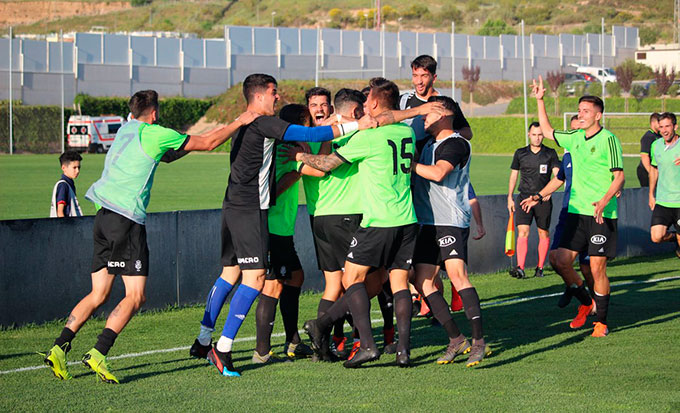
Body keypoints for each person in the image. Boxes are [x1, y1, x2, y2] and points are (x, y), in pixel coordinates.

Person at [42, 89, 260, 383]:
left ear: (132, 112)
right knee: (136, 295)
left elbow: (166, 156)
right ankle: (98, 353)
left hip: (103, 217)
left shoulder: (125, 130)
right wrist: (239, 121)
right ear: (154, 114)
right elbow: (208, 142)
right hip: (126, 221)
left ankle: (59, 348)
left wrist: (181, 146)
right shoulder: (155, 132)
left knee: (98, 294)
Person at [191, 74, 377, 378]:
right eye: (274, 92)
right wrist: (359, 124)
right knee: (256, 280)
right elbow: (312, 135)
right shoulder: (264, 122)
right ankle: (223, 349)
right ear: (260, 95)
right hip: (250, 209)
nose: (278, 98)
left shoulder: (245, 123)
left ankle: (203, 340)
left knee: (231, 273)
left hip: (233, 204)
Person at [297, 77, 419, 368]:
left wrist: (299, 155)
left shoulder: (366, 138)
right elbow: (392, 119)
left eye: (368, 101)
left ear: (374, 103)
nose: (365, 107)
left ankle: (365, 344)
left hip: (377, 219)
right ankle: (402, 350)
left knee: (352, 280)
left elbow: (326, 165)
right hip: (408, 218)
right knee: (398, 281)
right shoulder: (407, 133)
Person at [524, 77, 624, 338]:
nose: (581, 114)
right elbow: (546, 131)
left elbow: (619, 177)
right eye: (579, 110)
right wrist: (540, 100)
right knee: (559, 259)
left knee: (596, 268)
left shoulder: (609, 140)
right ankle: (584, 301)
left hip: (601, 215)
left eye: (586, 111)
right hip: (576, 213)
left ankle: (601, 321)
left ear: (598, 115)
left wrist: (604, 200)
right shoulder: (575, 137)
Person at [411, 96, 491, 367]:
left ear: (444, 114)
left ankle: (479, 342)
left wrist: (409, 165)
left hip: (450, 221)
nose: (423, 117)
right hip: (427, 221)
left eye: (428, 112)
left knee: (458, 277)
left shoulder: (456, 144)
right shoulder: (429, 145)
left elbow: (438, 174)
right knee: (423, 282)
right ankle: (456, 340)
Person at [252, 104, 316, 364]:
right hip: (273, 229)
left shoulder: (288, 147)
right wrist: (296, 170)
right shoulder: (284, 150)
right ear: (300, 123)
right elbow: (272, 190)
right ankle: (262, 351)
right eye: (308, 122)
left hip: (282, 229)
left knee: (295, 277)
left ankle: (293, 341)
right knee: (273, 284)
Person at [548, 115, 594, 309]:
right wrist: (538, 195)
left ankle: (594, 302)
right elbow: (559, 179)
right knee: (555, 259)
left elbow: (614, 175)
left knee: (585, 266)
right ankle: (575, 287)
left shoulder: (592, 154)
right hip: (567, 212)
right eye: (572, 130)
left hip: (587, 213)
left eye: (579, 129)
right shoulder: (567, 157)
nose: (575, 133)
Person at [507, 122, 560, 278]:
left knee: (543, 233)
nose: (537, 138)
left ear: (543, 136)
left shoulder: (550, 153)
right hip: (523, 198)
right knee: (523, 232)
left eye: (540, 135)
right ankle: (520, 268)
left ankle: (540, 268)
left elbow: (558, 175)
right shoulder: (520, 153)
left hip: (542, 199)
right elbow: (513, 175)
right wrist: (510, 197)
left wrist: (549, 191)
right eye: (534, 134)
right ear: (529, 134)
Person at [399, 54, 472, 143]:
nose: (419, 81)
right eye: (415, 76)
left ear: (434, 78)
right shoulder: (403, 100)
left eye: (424, 76)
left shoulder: (444, 104)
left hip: (433, 156)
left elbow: (468, 133)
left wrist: (447, 133)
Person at [648, 112, 680, 258]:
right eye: (661, 127)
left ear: (675, 126)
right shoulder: (656, 145)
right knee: (656, 236)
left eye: (667, 126)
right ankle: (674, 237)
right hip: (662, 201)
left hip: (679, 201)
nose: (665, 130)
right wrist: (651, 194)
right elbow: (654, 170)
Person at [50, 150, 83, 218]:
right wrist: (64, 227)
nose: (77, 171)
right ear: (63, 168)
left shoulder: (69, 184)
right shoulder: (63, 185)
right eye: (74, 168)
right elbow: (60, 212)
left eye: (79, 167)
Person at [637, 113, 661, 187]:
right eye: (659, 122)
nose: (661, 125)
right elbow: (644, 156)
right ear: (653, 123)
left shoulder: (659, 136)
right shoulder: (648, 137)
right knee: (649, 193)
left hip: (656, 170)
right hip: (645, 171)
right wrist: (651, 172)